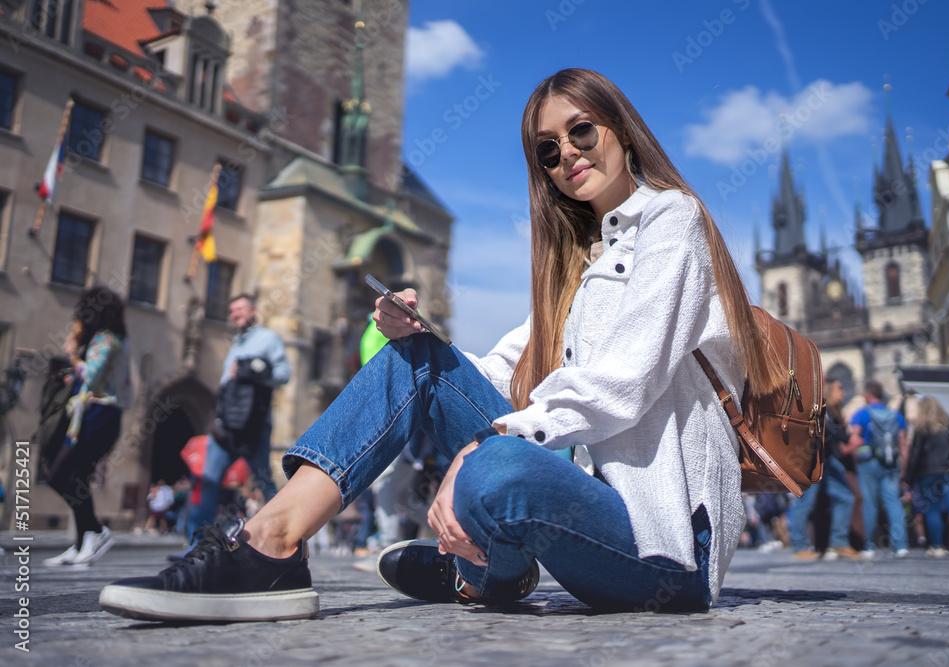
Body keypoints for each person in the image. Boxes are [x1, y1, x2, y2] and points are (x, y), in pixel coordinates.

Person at [100, 68, 787, 622]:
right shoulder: (576, 260)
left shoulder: (673, 219)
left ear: (624, 132)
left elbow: (622, 382)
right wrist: (424, 340)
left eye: (581, 131)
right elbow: (494, 371)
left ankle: (486, 567)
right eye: (548, 150)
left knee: (498, 472)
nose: (567, 154)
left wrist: (483, 447)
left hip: (661, 548)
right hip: (582, 505)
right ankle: (271, 543)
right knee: (418, 360)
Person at [181, 293, 290, 545]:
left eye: (240, 309)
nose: (235, 314)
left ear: (253, 310)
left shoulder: (267, 339)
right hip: (226, 425)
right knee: (206, 480)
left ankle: (286, 538)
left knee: (264, 482)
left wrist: (251, 370)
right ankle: (198, 545)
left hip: (254, 426)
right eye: (232, 310)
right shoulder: (237, 343)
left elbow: (283, 374)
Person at [43, 287, 131, 567]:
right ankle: (83, 541)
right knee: (78, 477)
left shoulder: (106, 340)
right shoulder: (113, 340)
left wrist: (73, 356)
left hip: (99, 416)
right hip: (93, 415)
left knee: (59, 475)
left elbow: (91, 376)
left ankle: (95, 531)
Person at [790, 380, 864, 561]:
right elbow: (824, 427)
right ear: (830, 390)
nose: (843, 392)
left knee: (846, 497)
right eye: (840, 388)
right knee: (805, 502)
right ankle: (799, 546)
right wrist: (847, 438)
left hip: (826, 461)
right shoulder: (818, 404)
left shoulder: (829, 409)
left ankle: (839, 542)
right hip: (812, 460)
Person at [903, 397, 949, 557]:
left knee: (932, 509)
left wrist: (908, 479)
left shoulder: (922, 428)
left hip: (928, 473)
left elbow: (915, 455)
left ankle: (937, 546)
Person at [850, 381, 909, 558]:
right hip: (890, 463)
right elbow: (903, 445)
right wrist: (904, 470)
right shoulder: (896, 415)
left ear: (868, 395)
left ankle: (868, 545)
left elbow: (854, 440)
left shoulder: (861, 414)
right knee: (893, 503)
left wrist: (854, 464)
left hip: (867, 463)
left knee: (869, 504)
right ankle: (901, 545)